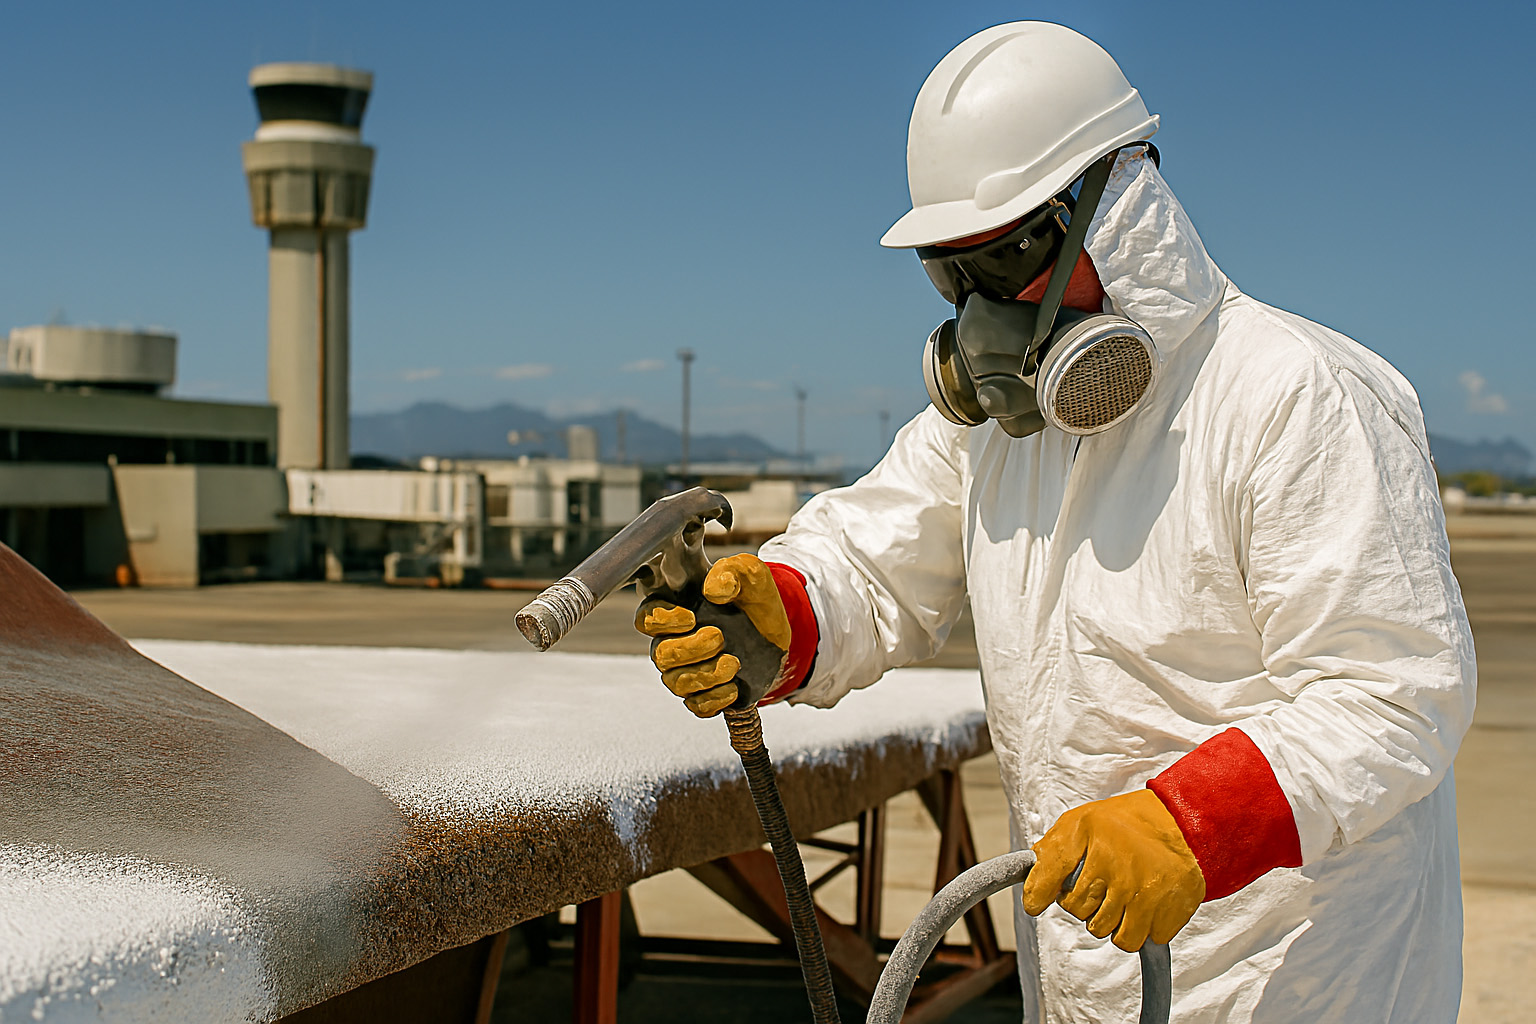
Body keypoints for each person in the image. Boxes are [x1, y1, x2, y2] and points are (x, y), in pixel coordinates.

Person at [636, 21, 1475, 1023]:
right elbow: (877, 555)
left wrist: (1192, 824)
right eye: (952, 277)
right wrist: (785, 610)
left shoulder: (1296, 396)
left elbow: (1389, 693)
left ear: (1116, 216)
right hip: (1081, 981)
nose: (979, 316)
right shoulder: (1002, 430)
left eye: (1005, 263)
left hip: (1297, 982)